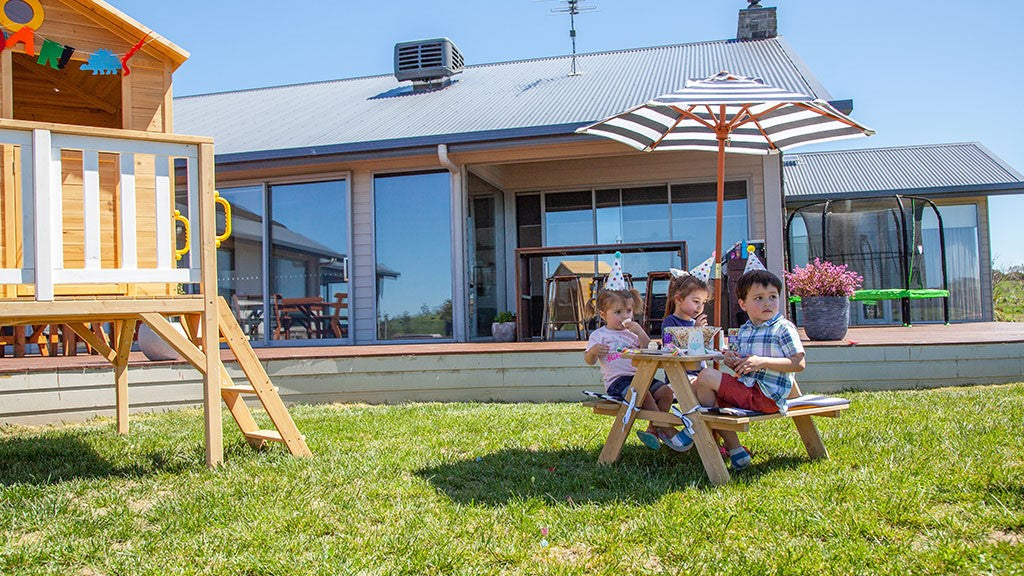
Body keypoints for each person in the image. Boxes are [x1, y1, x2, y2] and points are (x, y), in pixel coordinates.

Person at [692, 268, 805, 471]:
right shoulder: (744, 330)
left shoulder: (783, 328)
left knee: (706, 376)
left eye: (772, 297)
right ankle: (736, 452)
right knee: (704, 391)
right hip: (748, 389)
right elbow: (741, 364)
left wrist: (762, 361)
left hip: (767, 395)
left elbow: (799, 363)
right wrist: (730, 358)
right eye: (759, 298)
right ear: (743, 304)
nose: (767, 303)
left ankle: (704, 429)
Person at [584, 287, 693, 452]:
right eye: (618, 312)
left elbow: (649, 348)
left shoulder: (632, 335)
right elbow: (589, 360)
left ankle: (653, 430)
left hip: (642, 376)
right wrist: (593, 351)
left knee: (666, 392)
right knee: (642, 393)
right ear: (603, 315)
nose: (625, 316)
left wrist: (640, 331)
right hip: (618, 382)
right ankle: (666, 428)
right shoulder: (599, 335)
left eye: (628, 311)